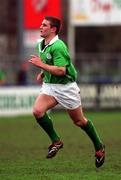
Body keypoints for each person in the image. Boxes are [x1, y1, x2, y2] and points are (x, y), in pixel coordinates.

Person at [28, 16, 105, 168]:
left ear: (53, 29)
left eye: (44, 25)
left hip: (66, 88)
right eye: (41, 24)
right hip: (50, 86)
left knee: (79, 121)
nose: (40, 27)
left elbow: (62, 71)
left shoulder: (59, 46)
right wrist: (44, 73)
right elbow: (51, 64)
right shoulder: (41, 44)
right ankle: (56, 141)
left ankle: (99, 147)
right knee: (37, 111)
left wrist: (42, 65)